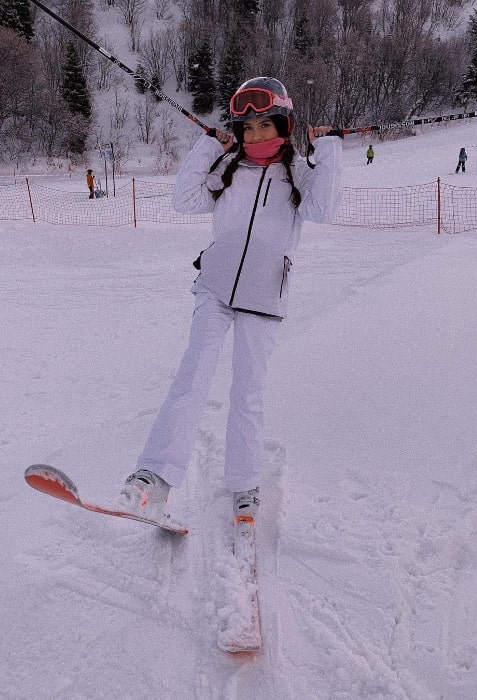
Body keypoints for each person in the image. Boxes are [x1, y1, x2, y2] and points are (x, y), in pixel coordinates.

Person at [118, 77, 343, 524]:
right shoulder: (228, 167)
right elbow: (184, 199)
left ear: (285, 124)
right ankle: (153, 477)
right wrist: (207, 146)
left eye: (266, 125)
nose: (256, 136)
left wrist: (331, 149)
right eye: (248, 128)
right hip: (215, 289)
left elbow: (324, 210)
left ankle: (244, 486)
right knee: (192, 374)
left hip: (264, 300)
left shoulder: (300, 172)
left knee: (248, 391)